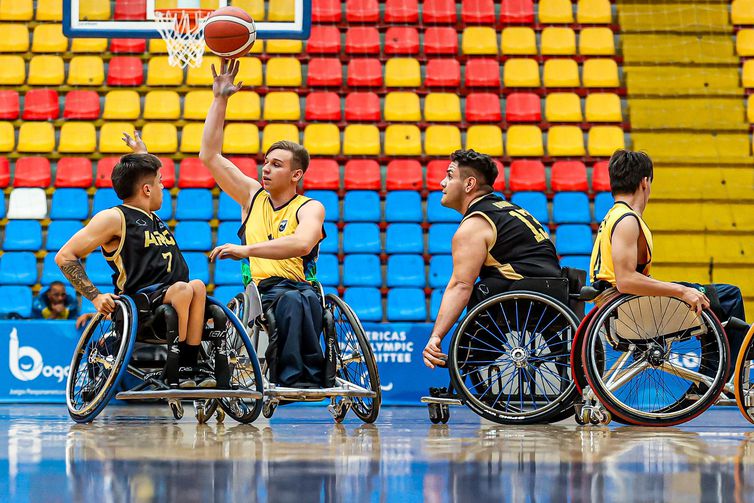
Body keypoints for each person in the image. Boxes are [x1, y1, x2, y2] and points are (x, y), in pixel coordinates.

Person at [199, 59, 327, 388]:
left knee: (303, 299)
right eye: (265, 162)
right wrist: (220, 99)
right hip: (261, 291)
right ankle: (292, 378)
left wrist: (246, 249)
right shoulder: (250, 196)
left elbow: (301, 244)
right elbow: (210, 156)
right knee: (289, 301)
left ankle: (309, 377)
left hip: (301, 287)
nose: (265, 169)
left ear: (296, 174)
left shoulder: (310, 207)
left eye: (277, 164)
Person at [55, 146, 220, 388]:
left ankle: (191, 366)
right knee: (185, 289)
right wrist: (95, 296)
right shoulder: (113, 218)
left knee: (196, 285)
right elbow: (64, 256)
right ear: (146, 189)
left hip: (173, 295)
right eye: (160, 183)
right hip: (141, 307)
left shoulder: (151, 216)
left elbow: (144, 182)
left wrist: (142, 154)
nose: (163, 188)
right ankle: (177, 366)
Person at [589, 148, 749, 371]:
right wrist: (681, 291)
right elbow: (626, 280)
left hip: (620, 305)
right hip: (628, 310)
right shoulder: (627, 220)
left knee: (709, 295)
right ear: (645, 182)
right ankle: (727, 375)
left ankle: (713, 375)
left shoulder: (613, 216)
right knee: (728, 296)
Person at [422, 149, 562, 369]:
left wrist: (436, 336)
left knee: (480, 290)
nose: (442, 183)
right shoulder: (509, 209)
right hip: (554, 291)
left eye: (449, 176)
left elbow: (460, 285)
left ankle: (468, 359)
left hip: (527, 296)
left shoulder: (474, 225)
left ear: (469, 185)